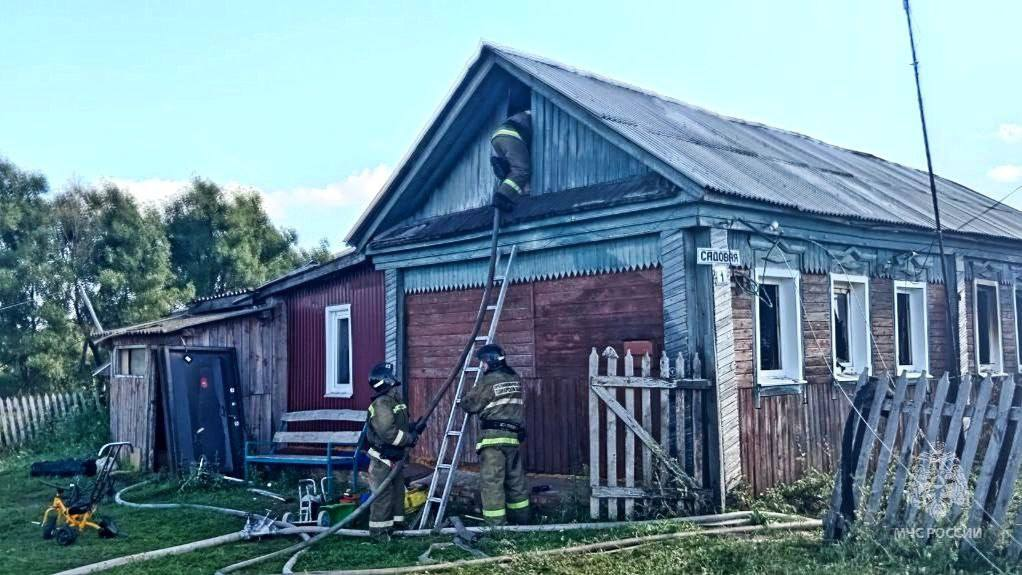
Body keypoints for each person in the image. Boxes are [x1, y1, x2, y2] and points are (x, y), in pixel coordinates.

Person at [460, 344, 530, 525]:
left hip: (493, 440)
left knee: (492, 483)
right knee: (516, 481)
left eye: (483, 363)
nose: (482, 366)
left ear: (490, 361)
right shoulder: (514, 378)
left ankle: (496, 526)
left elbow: (471, 404)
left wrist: (462, 400)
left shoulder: (488, 381)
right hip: (512, 438)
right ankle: (522, 520)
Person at [365, 361, 417, 540]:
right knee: (383, 496)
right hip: (383, 459)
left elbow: (397, 424)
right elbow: (388, 433)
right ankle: (379, 533)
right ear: (386, 380)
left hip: (394, 457)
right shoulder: (381, 404)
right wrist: (409, 438)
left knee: (397, 493)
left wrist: (412, 427)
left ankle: (397, 527)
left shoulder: (394, 399)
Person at [489, 110, 532, 212]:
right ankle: (502, 197)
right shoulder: (536, 113)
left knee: (513, 169)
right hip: (512, 135)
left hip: (498, 136)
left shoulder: (524, 114)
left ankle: (504, 166)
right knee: (522, 170)